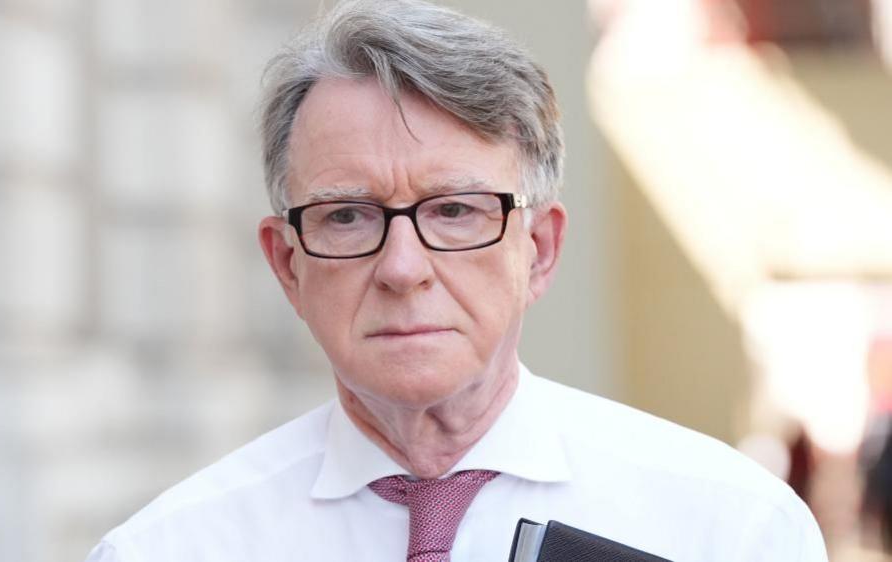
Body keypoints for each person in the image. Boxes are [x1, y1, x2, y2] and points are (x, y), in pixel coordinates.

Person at [86, 1, 828, 560]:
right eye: (346, 217)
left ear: (537, 249)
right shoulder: (171, 549)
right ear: (288, 264)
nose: (403, 269)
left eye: (454, 211)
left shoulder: (729, 529)